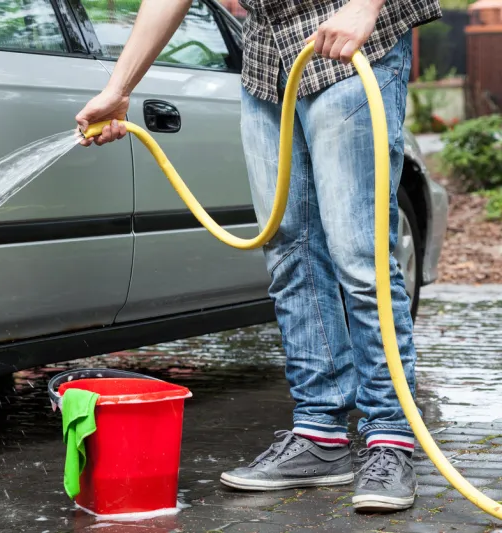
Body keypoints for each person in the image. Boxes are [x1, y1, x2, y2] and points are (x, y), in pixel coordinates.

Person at [75, 0, 441, 513]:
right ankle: (320, 435)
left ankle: (390, 440)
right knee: (289, 251)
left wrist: (363, 6)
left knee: (359, 256)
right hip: (269, 63)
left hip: (352, 42)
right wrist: (119, 88)